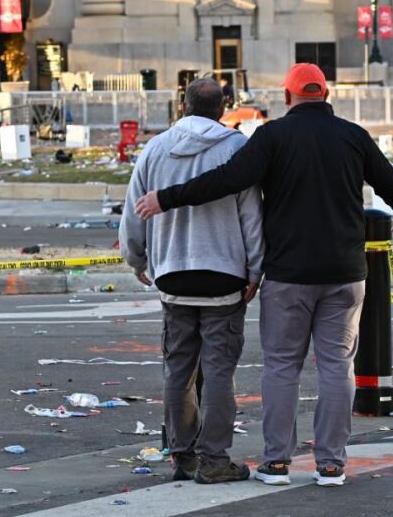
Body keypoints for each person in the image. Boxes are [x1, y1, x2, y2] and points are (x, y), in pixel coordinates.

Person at [135, 63, 393, 487]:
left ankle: (277, 462)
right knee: (338, 365)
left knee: (282, 366)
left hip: (288, 275)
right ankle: (331, 463)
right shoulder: (353, 136)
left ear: (287, 98)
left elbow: (227, 181)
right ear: (325, 95)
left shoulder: (272, 137)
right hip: (345, 273)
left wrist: (166, 199)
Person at [120, 77, 264, 485]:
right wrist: (255, 269)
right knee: (219, 371)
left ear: (181, 106)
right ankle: (214, 460)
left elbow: (134, 211)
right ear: (223, 109)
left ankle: (181, 456)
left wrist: (137, 258)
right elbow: (251, 215)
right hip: (224, 274)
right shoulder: (236, 148)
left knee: (178, 369)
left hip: (173, 274)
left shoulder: (156, 148)